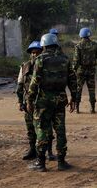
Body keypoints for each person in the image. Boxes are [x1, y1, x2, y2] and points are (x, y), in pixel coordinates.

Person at [27, 33, 77, 172]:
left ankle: (41, 163)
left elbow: (35, 81)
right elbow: (73, 80)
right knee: (60, 130)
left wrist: (29, 99)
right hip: (60, 99)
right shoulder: (65, 59)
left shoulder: (40, 59)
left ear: (44, 45)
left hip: (43, 100)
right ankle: (61, 162)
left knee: (42, 129)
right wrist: (74, 98)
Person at [17, 41, 55, 160]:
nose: (34, 55)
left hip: (43, 102)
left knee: (47, 128)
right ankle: (32, 150)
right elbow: (20, 85)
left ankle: (49, 152)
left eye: (37, 52)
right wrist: (20, 101)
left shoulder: (47, 66)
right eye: (32, 53)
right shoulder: (25, 67)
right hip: (29, 103)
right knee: (30, 128)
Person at [73, 27, 97, 114]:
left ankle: (77, 108)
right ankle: (92, 108)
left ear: (81, 35)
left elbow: (76, 60)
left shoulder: (78, 46)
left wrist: (73, 69)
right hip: (91, 71)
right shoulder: (95, 45)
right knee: (91, 90)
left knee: (78, 89)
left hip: (81, 71)